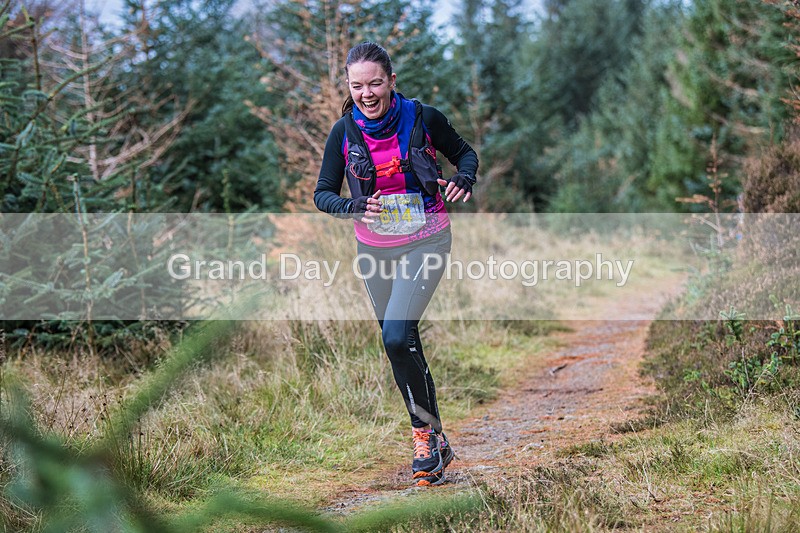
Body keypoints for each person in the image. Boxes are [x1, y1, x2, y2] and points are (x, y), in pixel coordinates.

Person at [314, 41, 478, 487]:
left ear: (391, 80)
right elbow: (323, 193)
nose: (366, 94)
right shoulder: (343, 132)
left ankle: (423, 437)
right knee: (400, 343)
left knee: (395, 334)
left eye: (374, 83)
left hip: (427, 238)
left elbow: (465, 153)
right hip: (374, 249)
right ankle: (436, 439)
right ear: (348, 86)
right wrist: (351, 206)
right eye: (357, 86)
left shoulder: (423, 117)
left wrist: (464, 178)